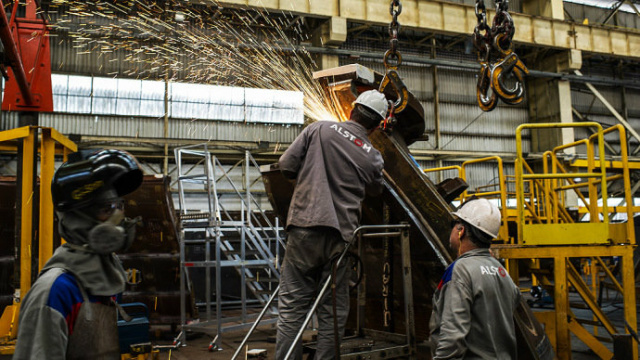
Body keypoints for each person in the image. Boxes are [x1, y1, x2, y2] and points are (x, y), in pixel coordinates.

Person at [276, 90, 389, 359]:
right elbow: (376, 191)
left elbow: (286, 165)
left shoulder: (318, 129)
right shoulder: (372, 156)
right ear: (377, 126)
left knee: (292, 309)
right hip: (340, 239)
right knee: (333, 314)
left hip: (303, 228)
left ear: (352, 110)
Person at [14, 149, 143, 360]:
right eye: (106, 208)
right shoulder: (56, 291)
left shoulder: (107, 274)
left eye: (119, 206)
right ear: (77, 218)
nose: (119, 219)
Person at [429, 198, 520, 359]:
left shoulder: (460, 270)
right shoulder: (502, 271)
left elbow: (452, 336)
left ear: (461, 231)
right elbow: (514, 300)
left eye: (454, 225)